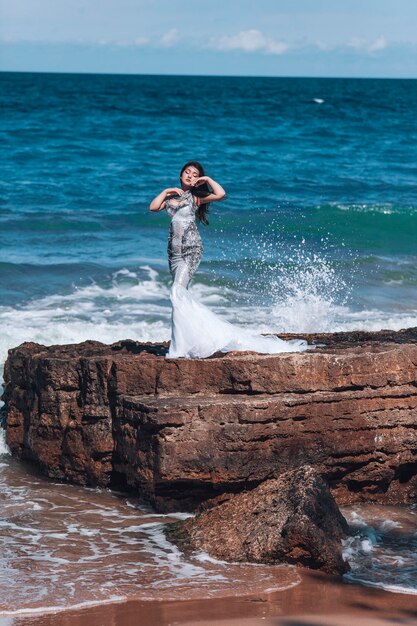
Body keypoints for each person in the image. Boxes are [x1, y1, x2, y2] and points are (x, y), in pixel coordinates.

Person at [149, 161, 309, 358]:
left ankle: (179, 348)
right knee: (179, 298)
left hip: (191, 250)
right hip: (173, 253)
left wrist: (206, 179)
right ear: (181, 175)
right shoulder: (172, 198)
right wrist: (166, 191)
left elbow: (221, 194)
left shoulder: (197, 198)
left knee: (177, 292)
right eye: (187, 172)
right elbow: (153, 207)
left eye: (195, 174)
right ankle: (186, 341)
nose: (190, 176)